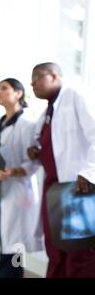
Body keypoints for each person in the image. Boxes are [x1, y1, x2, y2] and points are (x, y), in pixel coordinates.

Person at [27, 62, 95, 278]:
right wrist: (37, 151)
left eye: (37, 76)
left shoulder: (76, 95)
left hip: (79, 188)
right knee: (55, 248)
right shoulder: (49, 108)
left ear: (55, 76)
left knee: (79, 251)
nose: (32, 82)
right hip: (54, 188)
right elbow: (49, 143)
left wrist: (90, 172)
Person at [0, 78, 43, 278]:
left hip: (17, 193)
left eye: (4, 88)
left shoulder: (28, 125)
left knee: (15, 246)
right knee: (6, 242)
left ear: (19, 94)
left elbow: (34, 161)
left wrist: (13, 171)